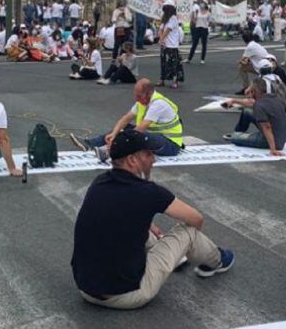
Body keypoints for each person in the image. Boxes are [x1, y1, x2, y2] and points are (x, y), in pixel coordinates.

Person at [70, 128, 234, 309]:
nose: (154, 159)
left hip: (86, 289)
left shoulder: (99, 182)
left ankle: (168, 254)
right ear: (132, 160)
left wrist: (148, 224)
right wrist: (148, 183)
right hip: (126, 295)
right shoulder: (149, 192)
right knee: (188, 233)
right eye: (148, 154)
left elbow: (121, 210)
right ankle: (218, 260)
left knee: (127, 226)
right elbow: (196, 219)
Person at [72, 78, 184, 160]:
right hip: (156, 137)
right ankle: (90, 143)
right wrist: (114, 134)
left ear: (148, 94)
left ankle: (108, 152)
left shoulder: (158, 104)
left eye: (139, 96)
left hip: (170, 144)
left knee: (136, 136)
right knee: (125, 128)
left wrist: (117, 141)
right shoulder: (143, 101)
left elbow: (141, 129)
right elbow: (125, 119)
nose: (136, 99)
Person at [221, 78, 286, 155]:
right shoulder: (274, 98)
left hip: (273, 142)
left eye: (250, 91)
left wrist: (273, 149)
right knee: (247, 112)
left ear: (253, 92)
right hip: (281, 135)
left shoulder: (259, 106)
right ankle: (239, 133)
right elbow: (250, 103)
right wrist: (233, 101)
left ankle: (238, 135)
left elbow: (267, 127)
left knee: (234, 138)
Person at [157, 4, 184, 89]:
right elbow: (160, 29)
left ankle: (174, 81)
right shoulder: (165, 19)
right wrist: (161, 40)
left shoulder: (173, 18)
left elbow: (168, 30)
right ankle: (162, 79)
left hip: (172, 45)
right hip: (165, 44)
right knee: (163, 63)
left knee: (173, 64)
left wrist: (161, 39)